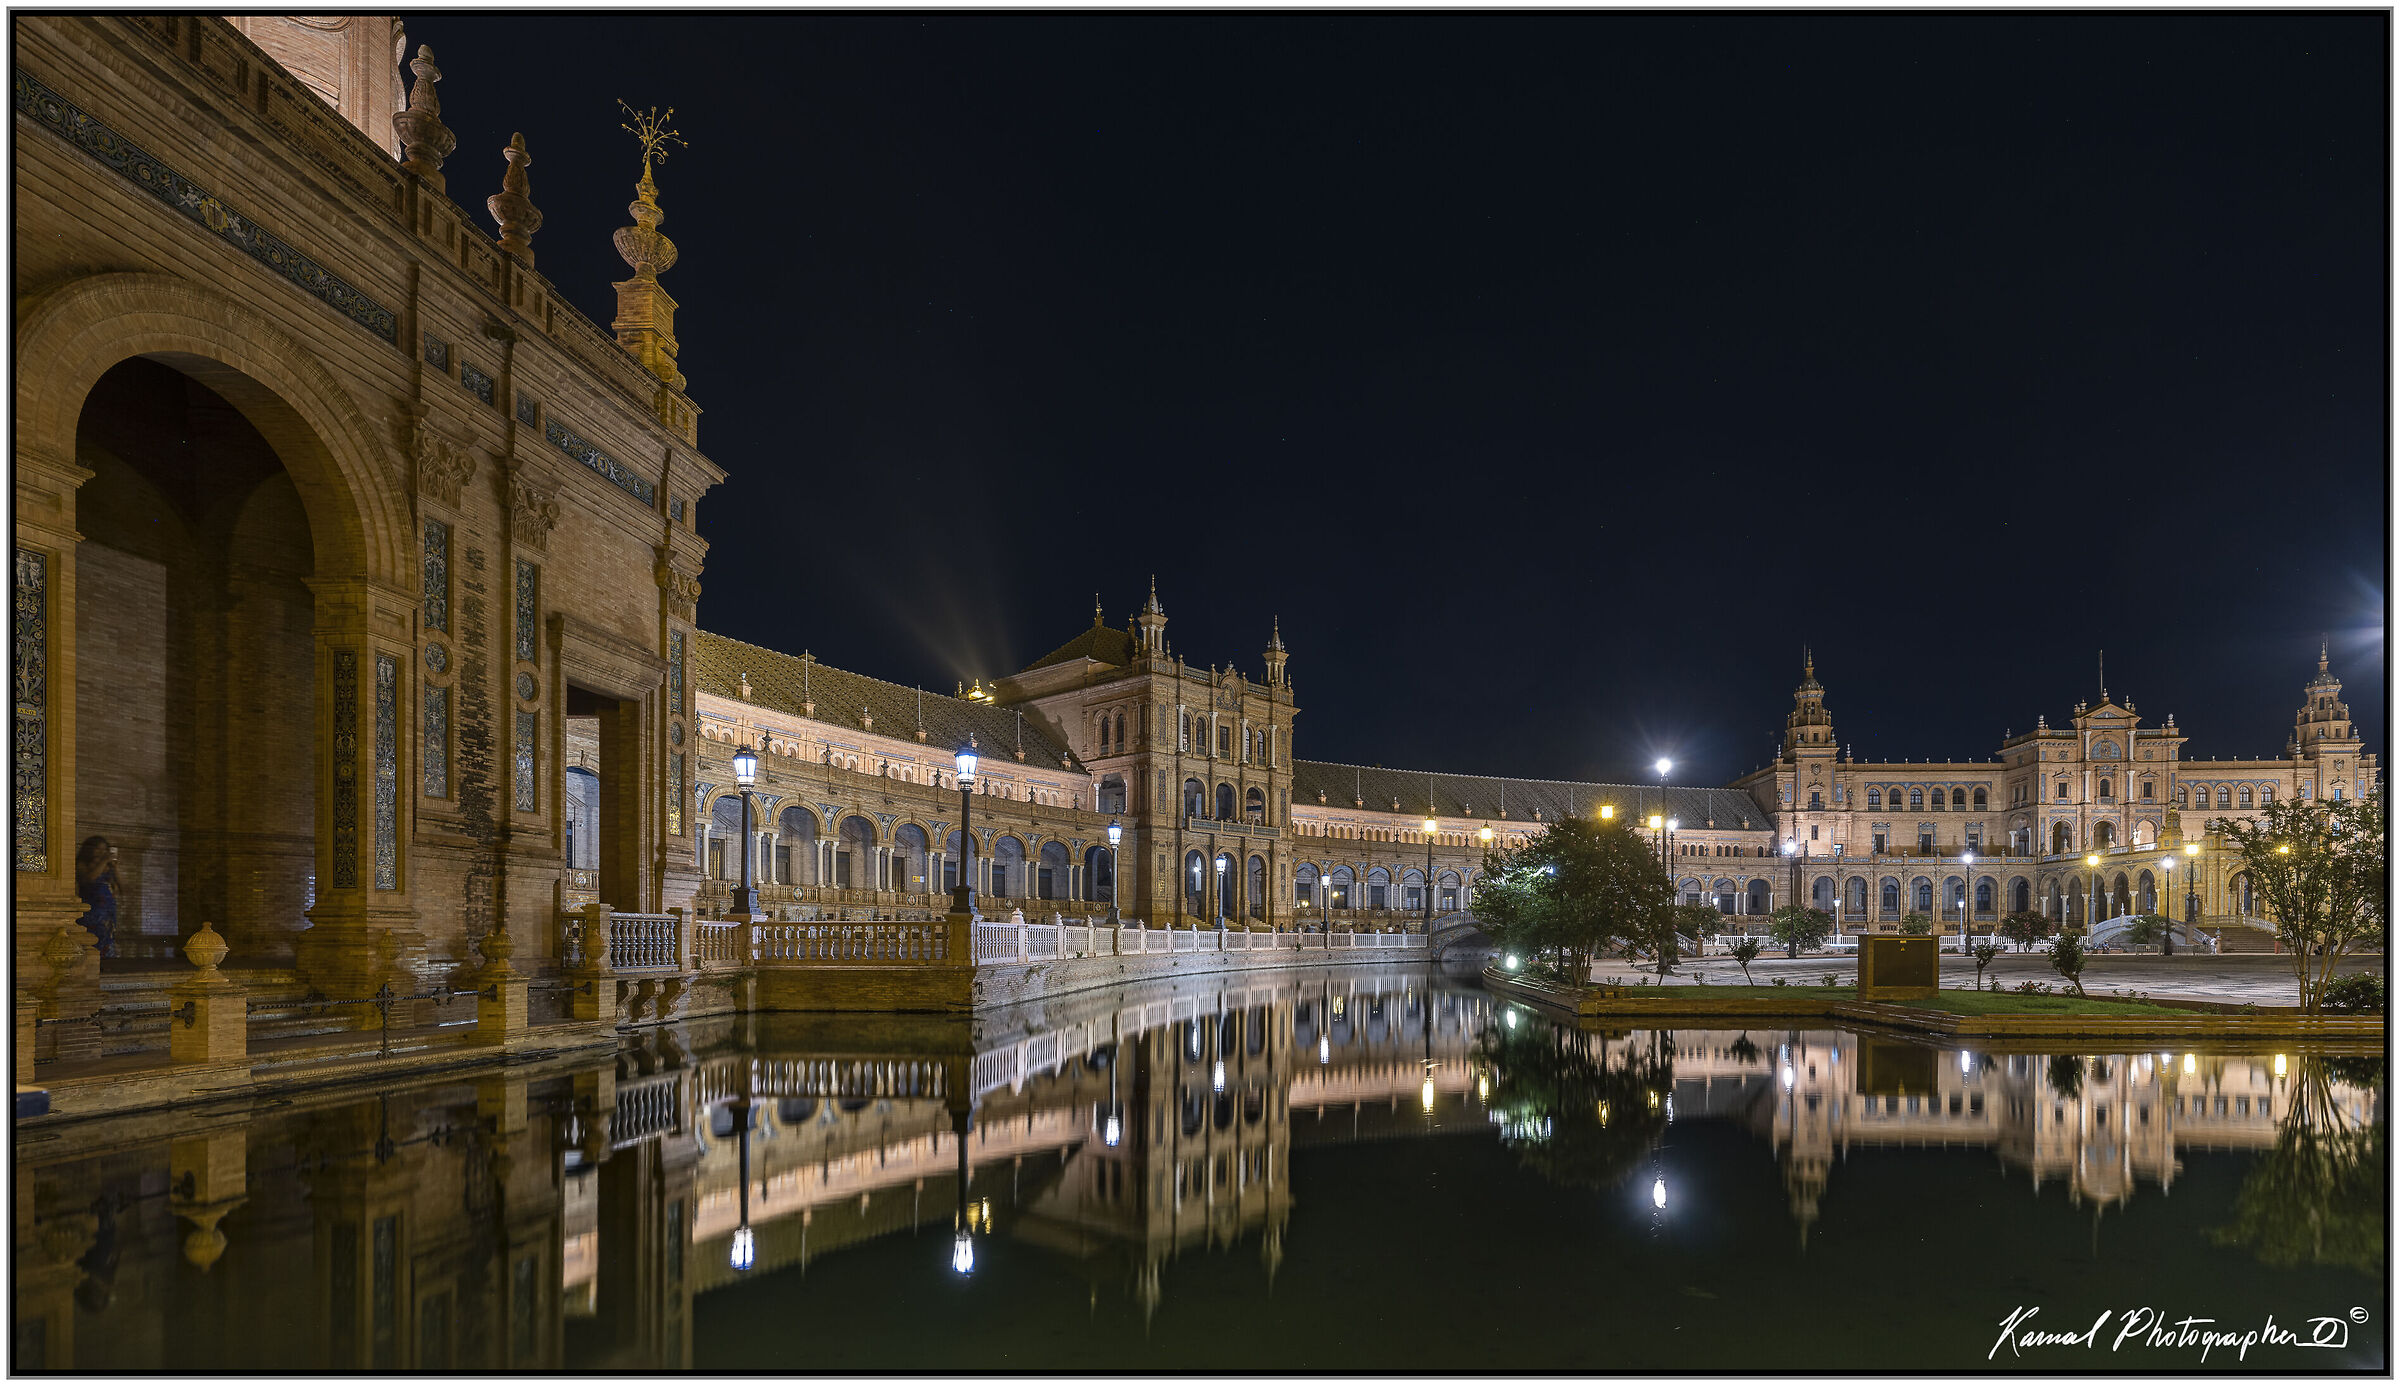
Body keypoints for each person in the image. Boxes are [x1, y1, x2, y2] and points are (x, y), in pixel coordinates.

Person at [74, 835, 119, 960]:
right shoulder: (82, 864)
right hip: (92, 909)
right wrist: (103, 861)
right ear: (89, 849)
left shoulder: (107, 867)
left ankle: (105, 962)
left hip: (107, 910)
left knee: (107, 938)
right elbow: (89, 879)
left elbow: (120, 886)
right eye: (98, 849)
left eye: (104, 850)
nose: (101, 852)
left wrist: (114, 868)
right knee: (92, 937)